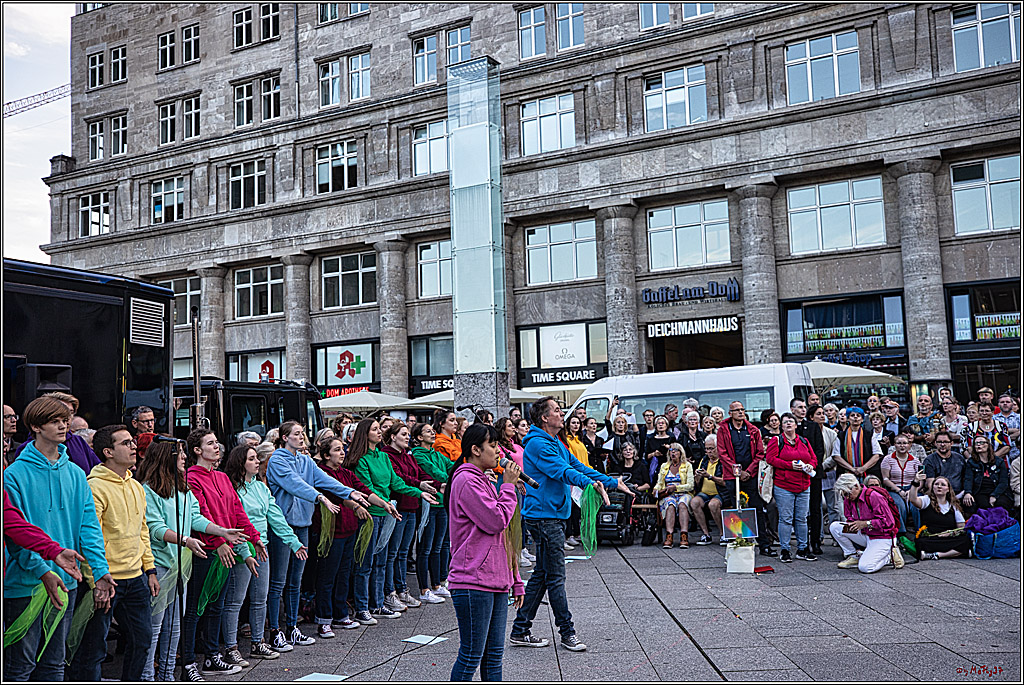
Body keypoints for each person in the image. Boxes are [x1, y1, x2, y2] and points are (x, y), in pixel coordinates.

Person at [3, 396, 112, 682]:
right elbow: (14, 533)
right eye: (55, 421)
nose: (64, 425)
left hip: (67, 580)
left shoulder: (76, 473)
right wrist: (42, 570)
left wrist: (100, 571)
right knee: (19, 669)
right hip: (25, 584)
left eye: (65, 420)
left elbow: (89, 528)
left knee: (55, 665)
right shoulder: (14, 474)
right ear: (36, 427)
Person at [510, 396, 631, 652]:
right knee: (555, 577)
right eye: (556, 410)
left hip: (552, 514)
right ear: (544, 417)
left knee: (543, 574)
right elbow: (563, 472)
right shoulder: (537, 444)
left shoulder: (555, 441)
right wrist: (592, 485)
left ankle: (520, 630)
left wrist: (610, 481)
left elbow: (578, 465)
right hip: (544, 517)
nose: (561, 413)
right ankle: (567, 632)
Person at [137, 440, 248, 680]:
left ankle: (169, 675)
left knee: (175, 625)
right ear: (167, 457)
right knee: (155, 626)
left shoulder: (183, 487)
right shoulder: (148, 489)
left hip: (181, 565)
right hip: (160, 563)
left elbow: (195, 517)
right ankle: (147, 677)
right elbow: (155, 527)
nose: (184, 457)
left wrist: (222, 531)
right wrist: (186, 540)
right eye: (180, 453)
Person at [69, 425, 160, 682]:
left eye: (133, 442)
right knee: (92, 651)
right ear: (107, 452)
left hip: (136, 578)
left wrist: (150, 569)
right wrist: (95, 579)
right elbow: (87, 537)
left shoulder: (135, 486)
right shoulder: (94, 486)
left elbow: (143, 530)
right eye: (126, 443)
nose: (134, 447)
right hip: (105, 580)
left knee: (142, 642)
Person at [266, 420, 364, 648]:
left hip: (302, 525)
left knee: (295, 582)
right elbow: (295, 484)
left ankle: (292, 627)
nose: (301, 437)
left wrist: (350, 491)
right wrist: (320, 497)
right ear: (284, 437)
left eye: (302, 433)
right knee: (279, 581)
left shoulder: (305, 460)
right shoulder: (278, 460)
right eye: (296, 434)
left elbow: (325, 480)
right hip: (283, 528)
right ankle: (274, 631)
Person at [180, 428, 263, 680]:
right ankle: (188, 662)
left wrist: (254, 540)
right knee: (195, 608)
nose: (217, 447)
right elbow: (200, 515)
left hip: (225, 549)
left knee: (217, 605)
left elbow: (237, 512)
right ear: (197, 450)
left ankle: (212, 655)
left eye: (217, 442)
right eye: (210, 443)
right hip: (205, 550)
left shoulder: (222, 478)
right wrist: (218, 542)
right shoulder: (191, 477)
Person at [447, 423, 525, 681]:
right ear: (475, 450)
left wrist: (515, 580)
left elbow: (504, 538)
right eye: (492, 446)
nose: (497, 451)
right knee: (471, 656)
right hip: (473, 581)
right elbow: (495, 521)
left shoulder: (483, 480)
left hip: (496, 579)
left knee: (493, 658)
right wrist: (508, 486)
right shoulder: (466, 480)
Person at [222, 444, 308, 660]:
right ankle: (231, 648)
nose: (257, 462)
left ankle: (258, 642)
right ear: (241, 464)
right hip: (241, 549)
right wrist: (244, 552)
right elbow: (235, 522)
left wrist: (294, 542)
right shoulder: (232, 489)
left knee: (260, 598)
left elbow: (276, 516)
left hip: (262, 548)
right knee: (236, 600)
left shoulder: (261, 487)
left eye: (256, 458)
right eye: (252, 459)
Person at [349, 419, 436, 622]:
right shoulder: (362, 459)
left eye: (380, 429)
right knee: (366, 564)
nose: (380, 432)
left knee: (381, 561)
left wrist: (419, 492)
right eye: (374, 429)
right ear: (365, 433)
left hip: (387, 513)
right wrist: (384, 503)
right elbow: (366, 488)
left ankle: (378, 603)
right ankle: (363, 607)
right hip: (371, 515)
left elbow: (396, 482)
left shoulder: (382, 456)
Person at [314, 435, 395, 635]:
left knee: (343, 574)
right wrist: (355, 504)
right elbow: (337, 495)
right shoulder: (321, 473)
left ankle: (341, 615)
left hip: (349, 530)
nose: (342, 453)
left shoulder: (346, 473)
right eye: (336, 450)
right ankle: (324, 619)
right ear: (325, 455)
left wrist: (384, 504)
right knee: (327, 577)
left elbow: (363, 490)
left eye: (343, 449)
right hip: (332, 532)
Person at [381, 421, 437, 613]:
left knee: (404, 553)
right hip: (398, 507)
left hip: (412, 507)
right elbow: (400, 478)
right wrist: (420, 486)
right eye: (403, 434)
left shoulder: (408, 455)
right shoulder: (388, 455)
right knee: (393, 553)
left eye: (407, 434)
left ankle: (402, 588)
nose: (407, 437)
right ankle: (390, 592)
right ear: (392, 436)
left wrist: (437, 485)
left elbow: (420, 475)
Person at [716, 401, 774, 556]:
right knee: (735, 510)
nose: (740, 412)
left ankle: (764, 544)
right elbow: (722, 453)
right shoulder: (723, 430)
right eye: (737, 410)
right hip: (731, 475)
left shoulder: (753, 430)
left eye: (742, 409)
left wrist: (748, 471)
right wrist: (737, 471)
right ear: (730, 413)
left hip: (751, 475)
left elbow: (760, 454)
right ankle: (738, 544)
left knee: (756, 508)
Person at [766, 413, 818, 562]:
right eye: (785, 422)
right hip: (784, 485)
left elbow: (813, 458)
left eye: (791, 421)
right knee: (786, 518)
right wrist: (790, 466)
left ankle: (802, 548)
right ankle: (785, 549)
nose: (788, 424)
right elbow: (770, 459)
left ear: (796, 425)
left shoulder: (804, 441)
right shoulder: (776, 441)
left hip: (804, 485)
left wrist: (811, 465)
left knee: (802, 518)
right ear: (781, 426)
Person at [411, 422, 453, 604]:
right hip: (428, 505)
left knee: (439, 546)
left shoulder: (436, 454)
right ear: (419, 437)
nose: (433, 433)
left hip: (441, 504)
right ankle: (424, 589)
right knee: (425, 548)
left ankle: (437, 584)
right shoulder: (418, 455)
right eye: (428, 431)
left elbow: (451, 466)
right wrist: (452, 478)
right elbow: (434, 473)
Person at [830, 473, 903, 573]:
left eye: (847, 494)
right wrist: (853, 524)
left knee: (866, 567)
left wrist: (865, 523)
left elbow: (888, 523)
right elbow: (849, 517)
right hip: (865, 533)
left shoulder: (874, 496)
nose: (846, 497)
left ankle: (889, 557)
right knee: (835, 527)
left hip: (882, 537)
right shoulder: (849, 499)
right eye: (844, 495)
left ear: (856, 486)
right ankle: (853, 555)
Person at [908, 472, 971, 559]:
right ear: (933, 487)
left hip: (948, 538)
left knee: (965, 540)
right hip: (931, 538)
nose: (939, 486)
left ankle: (937, 555)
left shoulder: (953, 506)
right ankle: (954, 553)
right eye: (936, 484)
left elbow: (961, 527)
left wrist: (950, 534)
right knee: (920, 542)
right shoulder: (926, 500)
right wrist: (915, 482)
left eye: (943, 485)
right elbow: (913, 499)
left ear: (948, 489)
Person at [792, 399, 826, 555]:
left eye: (804, 407)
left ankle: (816, 542)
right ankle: (802, 542)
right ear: (792, 410)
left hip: (813, 473)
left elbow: (820, 449)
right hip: (796, 474)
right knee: (800, 511)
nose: (803, 410)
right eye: (799, 407)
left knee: (815, 508)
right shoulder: (790, 427)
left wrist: (811, 465)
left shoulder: (813, 426)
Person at [653, 443, 693, 548]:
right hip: (668, 494)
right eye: (671, 450)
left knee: (682, 504)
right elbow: (660, 482)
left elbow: (690, 486)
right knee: (670, 504)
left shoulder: (687, 465)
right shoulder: (664, 466)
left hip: (683, 493)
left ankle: (684, 535)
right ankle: (669, 535)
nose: (673, 452)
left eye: (675, 450)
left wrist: (676, 488)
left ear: (681, 453)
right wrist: (656, 489)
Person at [879, 435, 921, 535]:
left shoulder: (915, 460)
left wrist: (912, 491)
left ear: (909, 445)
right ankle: (901, 533)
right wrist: (899, 490)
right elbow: (885, 479)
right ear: (895, 445)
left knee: (917, 505)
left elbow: (921, 479)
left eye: (905, 443)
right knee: (898, 504)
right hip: (894, 489)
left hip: (912, 488)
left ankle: (920, 531)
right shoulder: (888, 459)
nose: (902, 446)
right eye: (899, 443)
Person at [962, 435, 1012, 513]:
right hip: (980, 491)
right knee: (983, 506)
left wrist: (994, 495)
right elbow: (968, 479)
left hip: (998, 490)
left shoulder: (999, 461)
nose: (979, 445)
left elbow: (1003, 482)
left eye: (982, 442)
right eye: (976, 443)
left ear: (988, 445)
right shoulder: (971, 462)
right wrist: (968, 492)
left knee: (1001, 504)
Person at [691, 434, 725, 545]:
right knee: (694, 502)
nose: (708, 452)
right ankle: (706, 534)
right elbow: (697, 482)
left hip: (720, 493)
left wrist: (710, 477)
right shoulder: (704, 459)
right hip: (705, 492)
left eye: (711, 449)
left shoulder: (723, 460)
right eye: (706, 449)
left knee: (713, 504)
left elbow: (725, 482)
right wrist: (698, 476)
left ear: (718, 447)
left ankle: (722, 534)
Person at [813, 405, 843, 527]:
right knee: (816, 506)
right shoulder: (808, 433)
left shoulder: (831, 433)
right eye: (819, 414)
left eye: (822, 413)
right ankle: (819, 535)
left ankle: (835, 533)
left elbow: (835, 454)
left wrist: (822, 467)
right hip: (813, 473)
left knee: (834, 506)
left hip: (829, 472)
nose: (822, 416)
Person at [835, 407, 882, 481]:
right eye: (852, 415)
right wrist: (852, 469)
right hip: (847, 474)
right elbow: (836, 456)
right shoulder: (841, 435)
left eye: (858, 415)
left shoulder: (869, 434)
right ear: (848, 419)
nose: (855, 417)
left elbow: (876, 454)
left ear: (862, 419)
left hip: (867, 474)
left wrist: (863, 468)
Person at [966, 401, 1013, 468]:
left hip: (1000, 462)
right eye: (981, 411)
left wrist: (992, 458)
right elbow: (969, 446)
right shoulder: (972, 427)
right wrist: (982, 459)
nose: (984, 413)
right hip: (978, 464)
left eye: (987, 411)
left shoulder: (1001, 426)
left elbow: (1007, 446)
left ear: (992, 412)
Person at [923, 431, 967, 497]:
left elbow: (965, 478)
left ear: (951, 443)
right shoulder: (929, 460)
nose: (942, 444)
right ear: (935, 443)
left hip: (959, 495)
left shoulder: (959, 458)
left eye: (945, 442)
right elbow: (930, 484)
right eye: (939, 442)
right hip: (939, 496)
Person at [603, 397, 641, 470]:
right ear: (615, 424)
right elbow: (607, 420)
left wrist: (631, 418)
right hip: (615, 465)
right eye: (618, 422)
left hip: (630, 464)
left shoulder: (629, 434)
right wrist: (612, 407)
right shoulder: (612, 435)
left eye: (622, 422)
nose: (620, 424)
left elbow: (637, 436)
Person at [994, 393, 1021, 464]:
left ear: (1012, 404)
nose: (1005, 404)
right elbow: (994, 434)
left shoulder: (1019, 417)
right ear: (998, 404)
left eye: (1007, 402)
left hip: (1017, 452)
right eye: (1002, 402)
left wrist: (1003, 435)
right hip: (1000, 452)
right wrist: (1014, 431)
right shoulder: (994, 419)